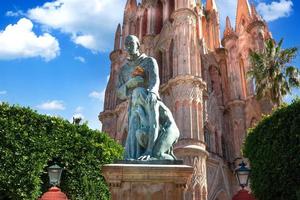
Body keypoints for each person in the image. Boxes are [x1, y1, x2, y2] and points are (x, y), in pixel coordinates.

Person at [117, 35, 179, 161]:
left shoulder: (149, 62)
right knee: (134, 123)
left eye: (131, 44)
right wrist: (130, 83)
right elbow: (120, 93)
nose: (128, 47)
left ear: (138, 45)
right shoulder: (124, 70)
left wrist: (150, 151)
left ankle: (158, 154)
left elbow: (154, 123)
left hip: (167, 128)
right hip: (137, 111)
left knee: (158, 155)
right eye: (126, 45)